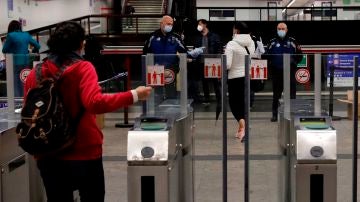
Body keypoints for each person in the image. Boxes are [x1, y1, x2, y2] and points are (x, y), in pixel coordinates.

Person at [23, 21, 152, 202]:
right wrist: (133, 95)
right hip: (83, 152)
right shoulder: (83, 68)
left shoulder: (35, 73)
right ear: (79, 44)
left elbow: (28, 110)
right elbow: (95, 103)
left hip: (47, 152)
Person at [143, 15, 201, 101]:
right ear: (161, 24)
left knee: (171, 94)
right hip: (156, 70)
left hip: (170, 70)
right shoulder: (152, 36)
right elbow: (145, 53)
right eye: (168, 24)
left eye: (171, 24)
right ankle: (157, 111)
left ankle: (169, 112)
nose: (170, 26)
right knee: (157, 94)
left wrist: (193, 54)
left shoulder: (175, 37)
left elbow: (184, 51)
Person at [265, 22, 302, 122]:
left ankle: (292, 114)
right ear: (277, 30)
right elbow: (267, 56)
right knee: (276, 95)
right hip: (277, 73)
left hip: (289, 72)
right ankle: (275, 115)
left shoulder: (293, 41)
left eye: (283, 28)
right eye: (279, 29)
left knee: (291, 95)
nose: (281, 30)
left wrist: (293, 63)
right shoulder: (272, 42)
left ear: (287, 30)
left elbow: (300, 56)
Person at [224, 22, 255, 141]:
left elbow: (227, 64)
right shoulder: (251, 42)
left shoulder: (231, 44)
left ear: (236, 31)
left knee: (234, 104)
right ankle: (241, 130)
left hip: (235, 78)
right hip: (247, 76)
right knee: (243, 103)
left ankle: (244, 126)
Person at [2, 20, 41, 97]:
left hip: (14, 63)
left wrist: (12, 50)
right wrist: (31, 51)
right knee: (24, 82)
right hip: (26, 63)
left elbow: (4, 50)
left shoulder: (10, 35)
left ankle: (17, 104)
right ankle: (25, 99)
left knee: (15, 84)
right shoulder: (26, 34)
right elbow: (38, 46)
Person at [193, 19, 222, 108]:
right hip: (201, 62)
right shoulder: (198, 37)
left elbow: (219, 47)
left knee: (215, 81)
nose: (199, 26)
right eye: (198, 24)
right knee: (204, 82)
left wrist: (218, 60)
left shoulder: (214, 36)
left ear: (205, 25)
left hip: (212, 62)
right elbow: (195, 49)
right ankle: (207, 99)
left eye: (200, 24)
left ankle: (219, 99)